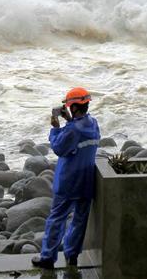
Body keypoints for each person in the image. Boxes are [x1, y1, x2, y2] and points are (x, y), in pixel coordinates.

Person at [32, 87, 101, 271]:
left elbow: (59, 148)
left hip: (69, 181)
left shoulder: (71, 131)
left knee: (57, 219)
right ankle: (72, 256)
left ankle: (47, 257)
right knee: (79, 220)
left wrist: (55, 127)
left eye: (70, 107)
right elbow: (79, 132)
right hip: (86, 181)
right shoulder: (93, 124)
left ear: (74, 107)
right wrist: (69, 121)